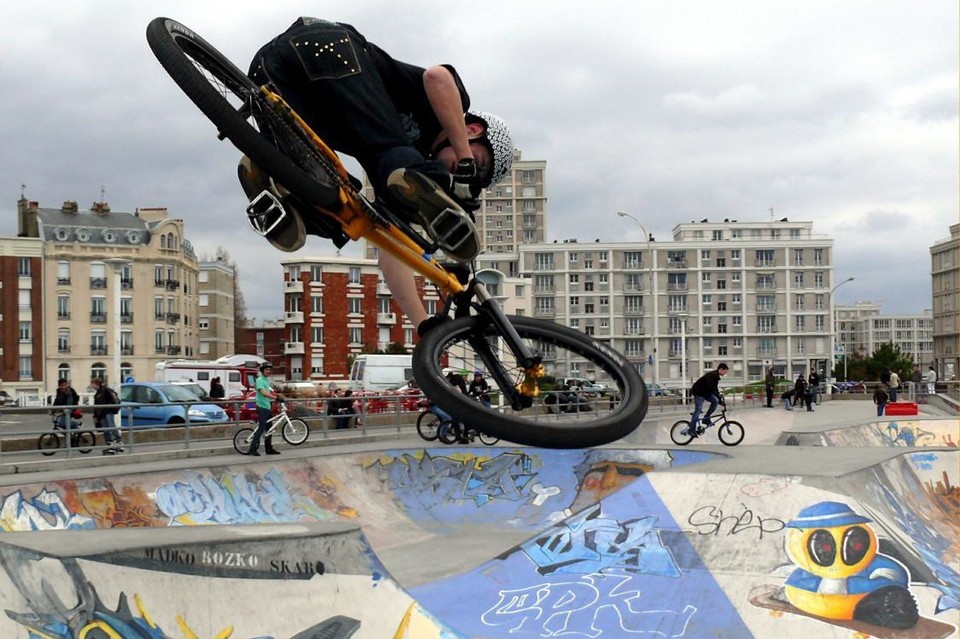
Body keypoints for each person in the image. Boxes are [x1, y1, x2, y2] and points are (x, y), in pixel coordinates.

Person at [242, 18, 514, 333]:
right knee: (391, 153)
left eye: (473, 173)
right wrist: (466, 162)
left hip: (272, 77)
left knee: (341, 210)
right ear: (473, 131)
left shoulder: (405, 184)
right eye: (479, 164)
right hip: (325, 48)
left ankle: (267, 175)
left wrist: (422, 325)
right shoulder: (449, 111)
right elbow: (437, 76)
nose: (462, 173)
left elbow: (392, 253)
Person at [685, 363, 729, 436]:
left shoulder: (716, 376)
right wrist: (719, 399)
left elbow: (715, 389)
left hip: (705, 392)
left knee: (715, 401)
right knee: (698, 409)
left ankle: (706, 418)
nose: (725, 373)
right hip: (698, 392)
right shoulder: (712, 375)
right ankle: (691, 430)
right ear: (720, 369)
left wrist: (720, 401)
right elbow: (712, 388)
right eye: (725, 371)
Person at [247, 362, 280, 456]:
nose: (268, 371)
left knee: (269, 428)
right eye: (266, 369)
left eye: (269, 370)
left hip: (267, 407)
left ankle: (269, 449)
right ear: (262, 371)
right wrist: (275, 398)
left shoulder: (266, 380)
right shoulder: (260, 380)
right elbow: (264, 393)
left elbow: (269, 392)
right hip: (261, 407)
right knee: (261, 428)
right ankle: (252, 449)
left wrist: (277, 396)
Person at [91, 377, 123, 454]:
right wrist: (95, 416)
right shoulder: (98, 393)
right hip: (102, 413)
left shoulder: (105, 390)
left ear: (96, 384)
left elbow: (113, 398)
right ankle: (110, 443)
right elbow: (96, 406)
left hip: (108, 411)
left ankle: (118, 441)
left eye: (93, 384)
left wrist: (112, 408)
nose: (92, 386)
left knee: (111, 426)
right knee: (106, 429)